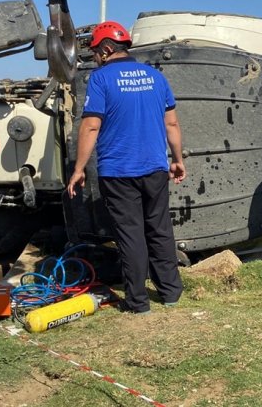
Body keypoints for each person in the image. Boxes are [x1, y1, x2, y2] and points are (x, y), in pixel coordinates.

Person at [66, 21, 185, 314]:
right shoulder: (156, 77)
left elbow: (91, 126)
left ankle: (138, 302)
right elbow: (171, 123)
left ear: (106, 49)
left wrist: (79, 168)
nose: (95, 56)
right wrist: (178, 159)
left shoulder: (101, 78)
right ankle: (171, 293)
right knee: (159, 228)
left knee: (130, 234)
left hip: (119, 171)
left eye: (95, 51)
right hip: (155, 168)